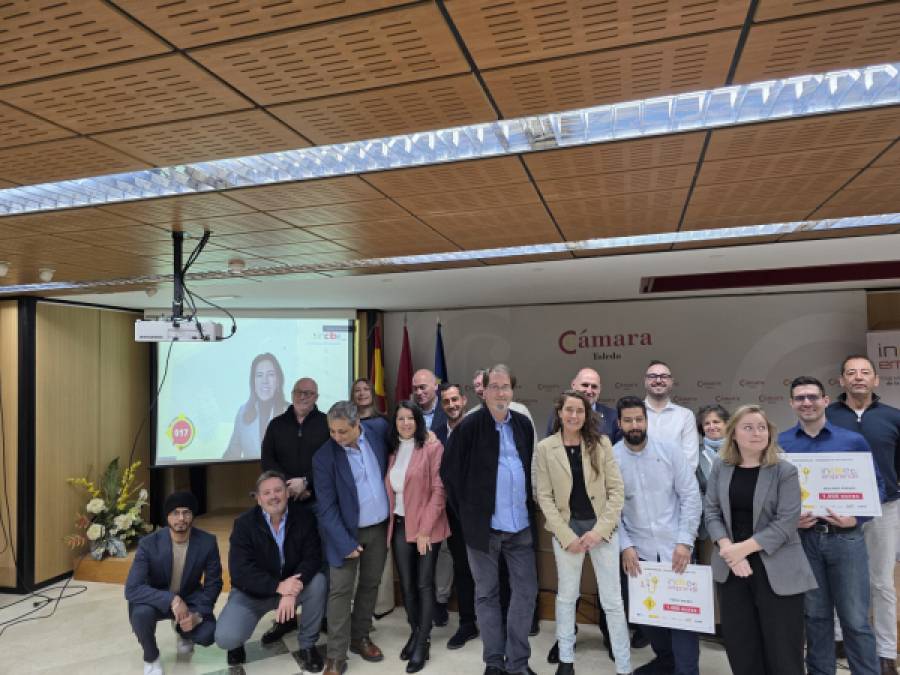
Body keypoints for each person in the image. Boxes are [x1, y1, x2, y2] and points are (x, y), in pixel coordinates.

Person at [778, 376, 883, 675]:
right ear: (792, 403)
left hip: (846, 539)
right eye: (800, 398)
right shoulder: (780, 443)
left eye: (812, 397)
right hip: (803, 541)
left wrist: (857, 518)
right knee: (815, 617)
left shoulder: (852, 440)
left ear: (825, 401)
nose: (807, 403)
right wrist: (790, 519)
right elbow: (771, 494)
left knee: (856, 620)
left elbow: (877, 485)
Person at [704, 405, 817, 675]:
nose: (757, 433)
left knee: (783, 651)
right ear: (733, 434)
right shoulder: (720, 466)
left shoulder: (784, 470)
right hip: (731, 568)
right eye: (748, 427)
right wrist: (729, 550)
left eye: (762, 427)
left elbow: (786, 522)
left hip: (776, 566)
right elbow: (711, 511)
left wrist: (741, 550)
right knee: (741, 646)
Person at [441, 364, 538, 675]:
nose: (500, 392)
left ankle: (518, 663)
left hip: (520, 527)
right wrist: (468, 515)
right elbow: (449, 474)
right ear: (483, 392)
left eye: (505, 386)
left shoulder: (523, 424)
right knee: (487, 595)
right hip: (483, 530)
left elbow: (529, 467)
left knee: (526, 593)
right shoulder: (468, 427)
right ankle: (494, 663)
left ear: (512, 390)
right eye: (493, 386)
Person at [535, 390, 631, 675]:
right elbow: (545, 497)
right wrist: (567, 537)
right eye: (569, 410)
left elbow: (617, 491)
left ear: (587, 414)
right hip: (567, 532)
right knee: (566, 597)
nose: (574, 415)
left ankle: (624, 666)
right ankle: (566, 661)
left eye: (580, 410)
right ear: (559, 412)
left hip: (601, 530)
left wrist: (599, 532)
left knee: (612, 602)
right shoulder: (545, 448)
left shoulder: (601, 443)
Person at [614, 396, 702, 675]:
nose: (634, 425)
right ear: (619, 423)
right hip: (637, 552)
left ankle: (687, 671)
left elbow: (691, 497)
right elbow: (609, 509)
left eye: (639, 419)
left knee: (683, 618)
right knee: (647, 616)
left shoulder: (670, 451)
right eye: (628, 420)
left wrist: (685, 541)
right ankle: (666, 661)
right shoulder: (611, 459)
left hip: (676, 547)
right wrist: (625, 546)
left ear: (646, 420)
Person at [826, 354, 900, 675]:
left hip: (885, 509)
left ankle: (886, 654)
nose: (858, 377)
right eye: (851, 373)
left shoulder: (894, 417)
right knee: (838, 579)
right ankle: (839, 640)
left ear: (875, 380)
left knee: (882, 583)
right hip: (837, 510)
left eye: (865, 372)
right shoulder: (826, 416)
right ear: (841, 380)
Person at [214, 471, 326, 671]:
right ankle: (236, 645)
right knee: (225, 638)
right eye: (266, 493)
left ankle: (307, 645)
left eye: (278, 490)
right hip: (252, 593)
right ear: (258, 499)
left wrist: (290, 590)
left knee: (318, 582)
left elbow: (312, 558)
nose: (273, 496)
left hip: (291, 586)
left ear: (287, 493)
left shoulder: (305, 517)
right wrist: (278, 586)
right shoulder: (244, 524)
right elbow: (240, 571)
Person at [313, 401, 392, 675]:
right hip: (345, 534)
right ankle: (336, 655)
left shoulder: (378, 430)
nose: (337, 437)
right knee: (340, 592)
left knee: (370, 585)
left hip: (379, 529)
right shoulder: (323, 458)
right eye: (332, 431)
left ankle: (360, 636)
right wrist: (346, 542)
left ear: (358, 423)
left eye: (342, 431)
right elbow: (327, 509)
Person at [258, 377, 330, 642]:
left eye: (308, 393)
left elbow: (331, 459)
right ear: (291, 394)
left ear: (316, 397)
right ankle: (285, 618)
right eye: (299, 392)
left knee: (321, 559)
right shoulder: (276, 424)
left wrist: (307, 481)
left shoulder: (326, 424)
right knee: (285, 559)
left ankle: (321, 616)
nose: (303, 397)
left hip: (318, 502)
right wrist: (288, 487)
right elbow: (268, 461)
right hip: (285, 505)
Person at [125, 492, 222, 675]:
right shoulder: (148, 544)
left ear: (193, 515)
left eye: (186, 512)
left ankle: (183, 632)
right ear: (167, 516)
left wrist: (198, 616)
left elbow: (214, 583)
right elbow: (132, 588)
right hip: (156, 598)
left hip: (190, 596)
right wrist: (172, 600)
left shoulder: (207, 542)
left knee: (208, 634)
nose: (181, 518)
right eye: (175, 513)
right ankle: (151, 657)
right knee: (141, 614)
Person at [386, 400, 450, 672]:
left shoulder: (433, 447)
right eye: (400, 418)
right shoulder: (392, 449)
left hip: (427, 527)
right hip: (400, 523)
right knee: (408, 586)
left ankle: (423, 643)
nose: (405, 423)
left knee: (424, 585)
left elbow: (439, 491)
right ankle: (415, 632)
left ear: (418, 420)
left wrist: (424, 530)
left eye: (410, 418)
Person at [434, 382, 480, 649]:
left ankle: (496, 621)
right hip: (451, 514)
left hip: (481, 514)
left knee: (490, 568)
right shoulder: (435, 435)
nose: (451, 405)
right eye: (446, 401)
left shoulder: (479, 429)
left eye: (455, 400)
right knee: (462, 568)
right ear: (441, 405)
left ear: (464, 400)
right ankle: (467, 623)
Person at [223, 353, 289, 459]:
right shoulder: (243, 412)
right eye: (259, 375)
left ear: (278, 382)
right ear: (253, 382)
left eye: (270, 374)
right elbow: (232, 453)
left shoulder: (291, 413)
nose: (264, 381)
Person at [643, 360, 699, 470]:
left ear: (671, 382)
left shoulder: (685, 416)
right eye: (653, 376)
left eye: (664, 377)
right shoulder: (633, 414)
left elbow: (690, 461)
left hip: (676, 481)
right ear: (645, 381)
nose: (658, 380)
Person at [543, 368, 621, 443]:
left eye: (594, 387)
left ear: (599, 389)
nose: (589, 391)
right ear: (573, 385)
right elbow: (550, 448)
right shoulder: (557, 415)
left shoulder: (613, 417)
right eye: (585, 385)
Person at [696, 404, 730, 542]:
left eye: (716, 422)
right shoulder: (695, 454)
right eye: (707, 423)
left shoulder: (740, 451)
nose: (712, 426)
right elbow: (695, 490)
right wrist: (714, 512)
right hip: (707, 526)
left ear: (726, 424)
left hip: (737, 523)